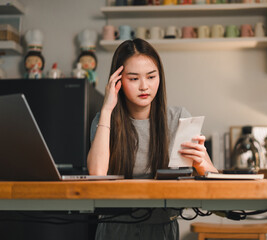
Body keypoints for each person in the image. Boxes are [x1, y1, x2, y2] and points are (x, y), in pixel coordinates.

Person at [87, 38, 218, 240]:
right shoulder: (104, 120)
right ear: (118, 81)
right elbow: (96, 173)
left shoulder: (178, 118)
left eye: (151, 76)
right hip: (115, 229)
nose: (144, 86)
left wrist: (202, 163)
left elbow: (216, 183)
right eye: (133, 79)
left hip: (162, 230)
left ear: (160, 77)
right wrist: (106, 109)